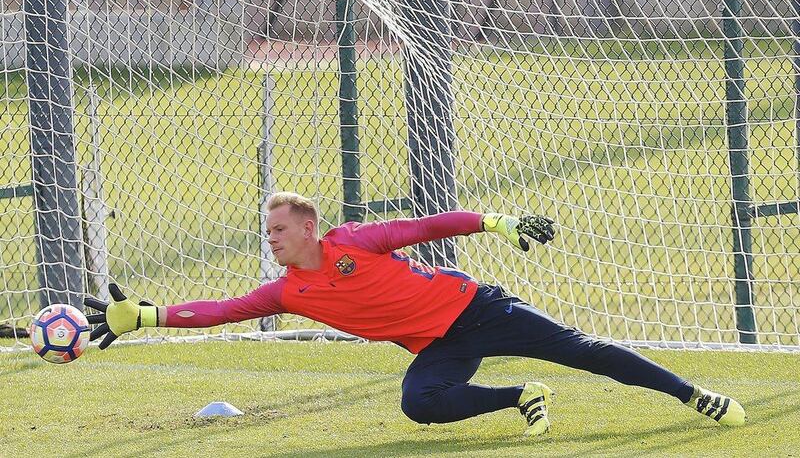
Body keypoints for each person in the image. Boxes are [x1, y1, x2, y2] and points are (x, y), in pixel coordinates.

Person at [85, 191, 746, 435]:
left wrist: (496, 220)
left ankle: (695, 396)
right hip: (439, 344)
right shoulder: (289, 291)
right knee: (421, 403)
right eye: (269, 231)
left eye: (280, 228)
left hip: (480, 308)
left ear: (312, 226)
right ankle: (522, 395)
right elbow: (222, 309)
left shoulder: (355, 241)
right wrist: (149, 315)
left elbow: (430, 224)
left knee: (588, 352)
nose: (272, 237)